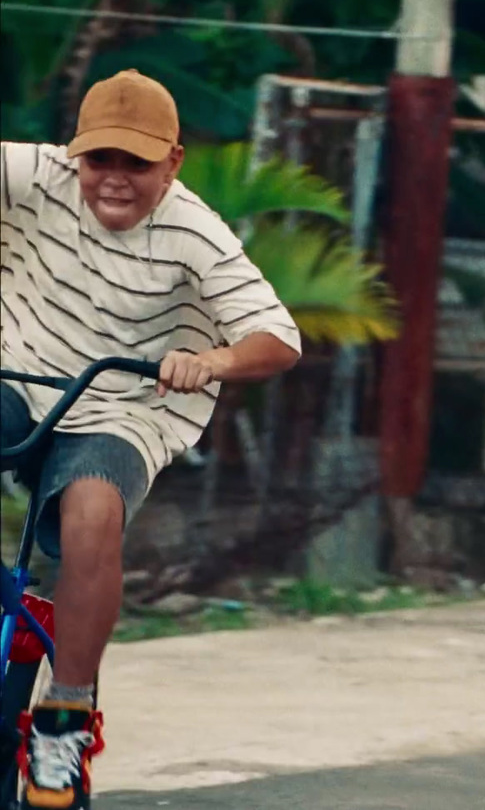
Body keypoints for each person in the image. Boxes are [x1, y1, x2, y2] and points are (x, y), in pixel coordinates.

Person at [1, 69, 302, 810]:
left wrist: (213, 360)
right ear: (76, 154)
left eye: (136, 163)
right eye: (100, 159)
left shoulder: (195, 232)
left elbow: (279, 337)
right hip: (17, 371)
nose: (114, 179)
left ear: (172, 161)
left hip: (122, 407)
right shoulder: (34, 173)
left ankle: (63, 720)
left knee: (94, 511)